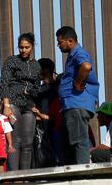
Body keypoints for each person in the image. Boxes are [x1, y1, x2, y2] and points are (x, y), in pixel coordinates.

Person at [0, 33, 44, 170]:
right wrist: (6, 105)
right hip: (13, 102)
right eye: (20, 47)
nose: (23, 50)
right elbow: (4, 83)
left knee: (28, 142)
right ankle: (14, 176)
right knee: (15, 140)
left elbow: (37, 87)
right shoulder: (11, 61)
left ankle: (25, 176)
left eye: (26, 47)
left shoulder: (36, 65)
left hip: (29, 105)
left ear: (32, 47)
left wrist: (31, 93)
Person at [55, 26, 99, 165]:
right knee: (70, 141)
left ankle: (82, 172)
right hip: (71, 105)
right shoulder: (73, 55)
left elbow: (86, 66)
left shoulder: (78, 53)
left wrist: (78, 82)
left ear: (70, 40)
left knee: (79, 140)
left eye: (60, 42)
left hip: (76, 104)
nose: (58, 45)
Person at [31, 58, 60, 167]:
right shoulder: (56, 87)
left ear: (46, 70)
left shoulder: (54, 88)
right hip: (46, 129)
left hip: (51, 129)